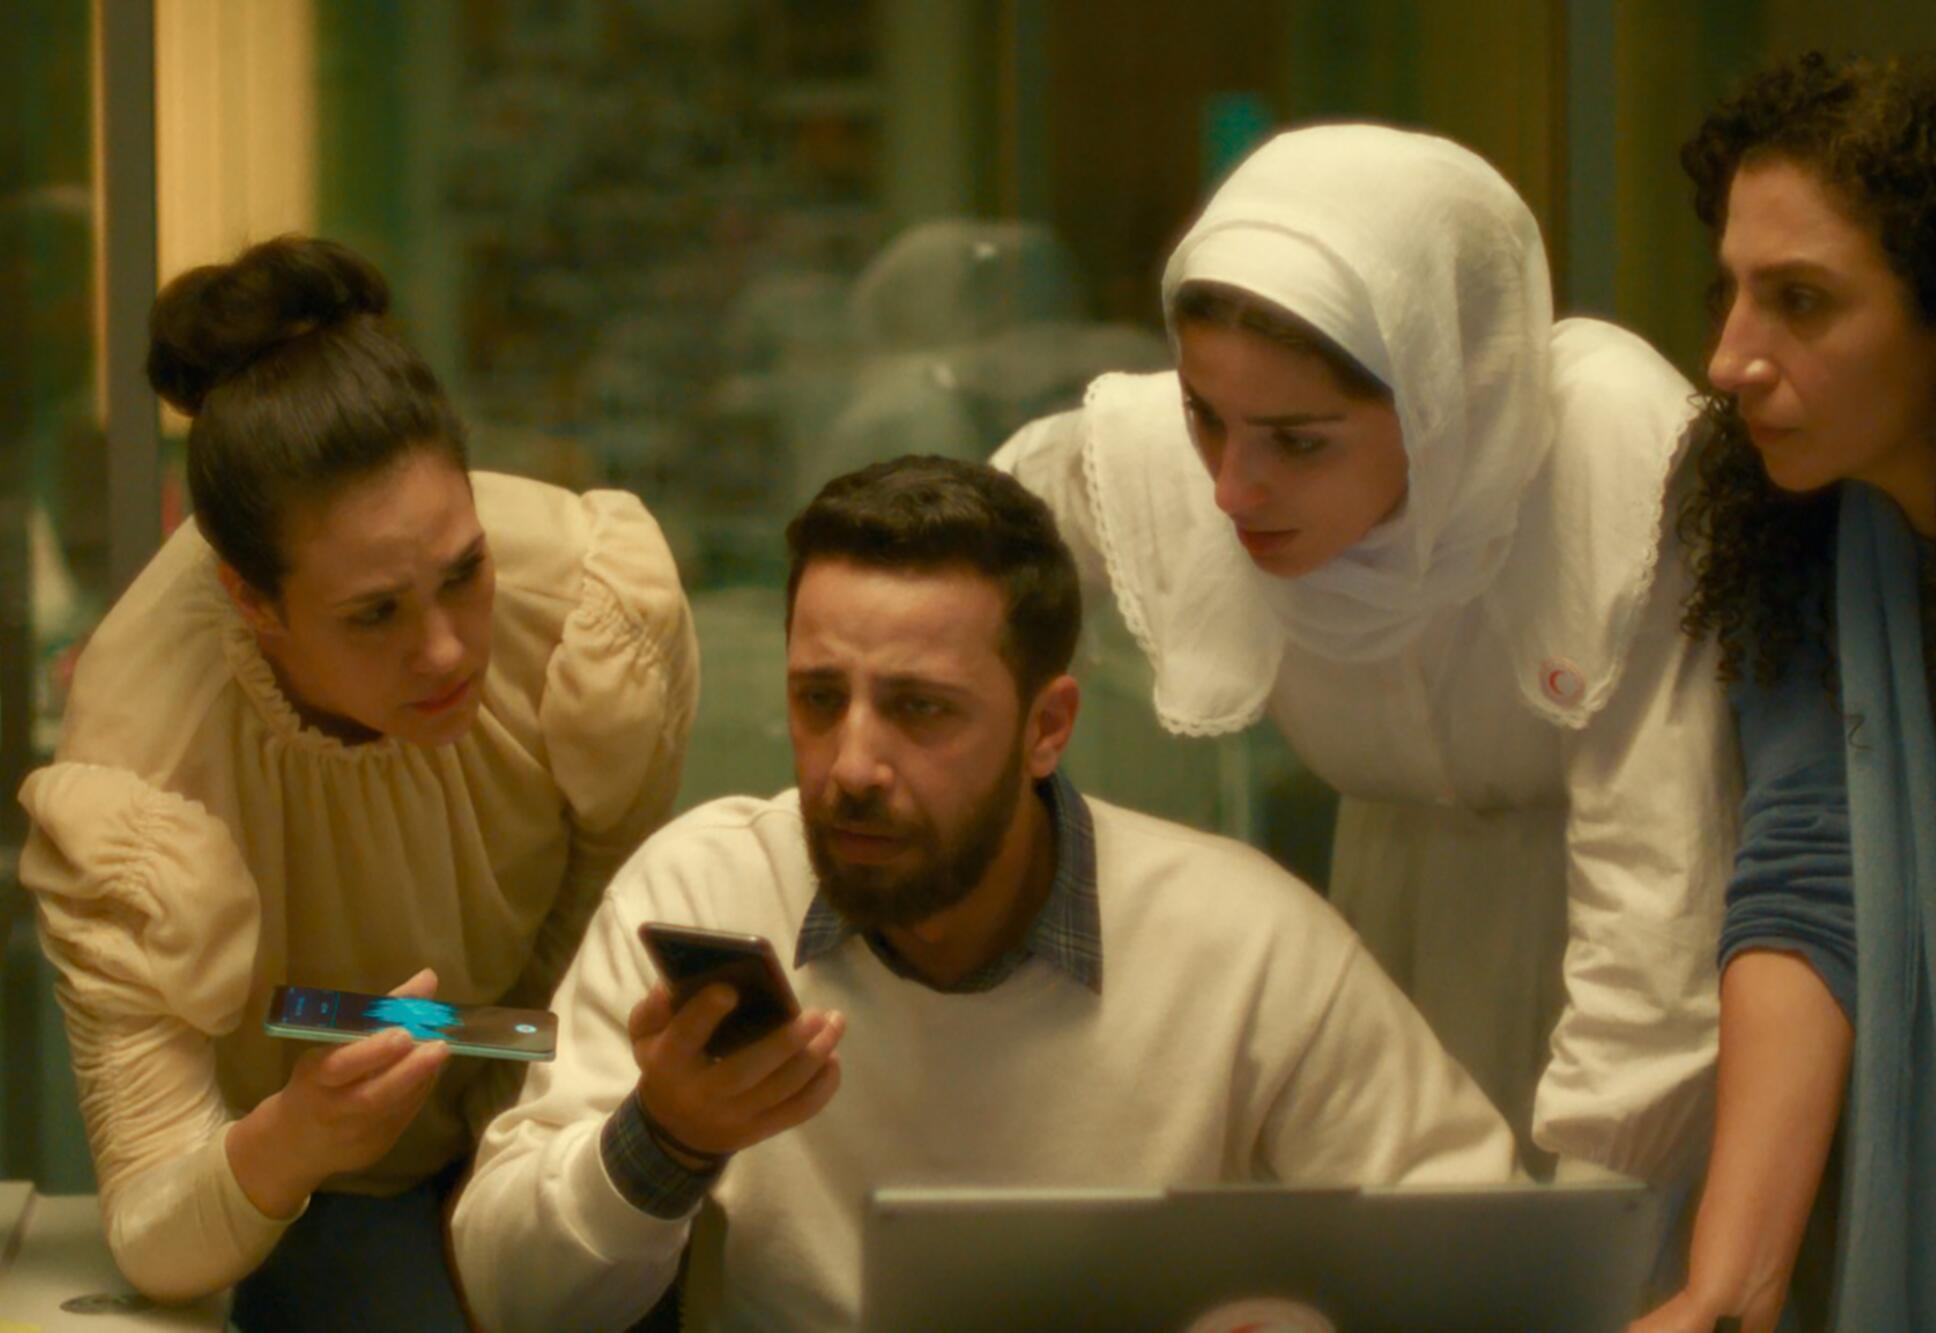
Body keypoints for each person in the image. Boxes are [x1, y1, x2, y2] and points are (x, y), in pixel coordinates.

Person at [450, 455, 1518, 1331]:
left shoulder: (1240, 942)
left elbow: (1488, 1262)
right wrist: (662, 1142)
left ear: (1046, 726)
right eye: (818, 699)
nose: (851, 762)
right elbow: (512, 1298)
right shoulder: (710, 888)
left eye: (919, 710)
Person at [994, 124, 1739, 1184]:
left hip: (1616, 986)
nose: (1229, 488)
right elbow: (959, 547)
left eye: (1300, 442)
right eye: (1203, 416)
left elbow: (1657, 905)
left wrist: (1580, 1233)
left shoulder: (1608, 459)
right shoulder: (1190, 451)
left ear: (1443, 404)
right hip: (1378, 943)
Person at [15, 236, 698, 1327]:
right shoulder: (141, 756)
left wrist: (515, 1120)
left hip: (546, 1111)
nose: (445, 652)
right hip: (322, 1187)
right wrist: (295, 1137)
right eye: (374, 613)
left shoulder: (578, 600)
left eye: (463, 573)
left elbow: (598, 907)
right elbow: (153, 1223)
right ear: (253, 599)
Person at [1633, 52, 1936, 1333]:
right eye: (1731, 293)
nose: (1726, 359)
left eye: (1798, 301)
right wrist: (1726, 1287)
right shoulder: (1802, 530)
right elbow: (1813, 880)